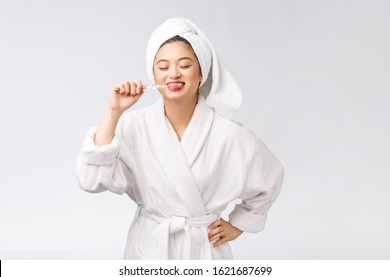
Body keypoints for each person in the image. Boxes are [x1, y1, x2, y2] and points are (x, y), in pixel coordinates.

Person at [76, 18, 284, 260]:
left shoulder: (229, 135)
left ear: (201, 73)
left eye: (185, 65)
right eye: (163, 67)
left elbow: (270, 178)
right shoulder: (133, 126)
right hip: (149, 250)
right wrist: (113, 112)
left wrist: (239, 225)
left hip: (203, 250)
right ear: (153, 74)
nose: (173, 73)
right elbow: (91, 180)